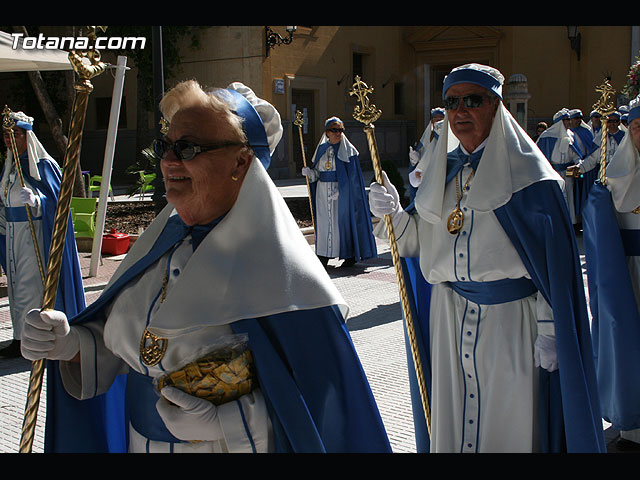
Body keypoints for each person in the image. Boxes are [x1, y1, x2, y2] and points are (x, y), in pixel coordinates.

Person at [20, 81, 391, 453]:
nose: (167, 162)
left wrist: (233, 423)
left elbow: (325, 415)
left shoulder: (286, 280)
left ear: (241, 162)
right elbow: (129, 350)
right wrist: (71, 343)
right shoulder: (157, 245)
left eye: (188, 148)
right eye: (166, 146)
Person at [368, 63, 604, 453]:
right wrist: (390, 215)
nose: (459, 111)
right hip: (448, 318)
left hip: (511, 323)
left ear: (496, 107)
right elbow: (415, 245)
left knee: (508, 426)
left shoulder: (534, 180)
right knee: (454, 421)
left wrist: (550, 330)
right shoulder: (440, 175)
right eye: (451, 102)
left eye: (472, 100)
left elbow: (553, 269)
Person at [0, 111, 85, 359]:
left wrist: (37, 200)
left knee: (31, 288)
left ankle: (39, 337)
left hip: (36, 235)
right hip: (14, 236)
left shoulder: (44, 165)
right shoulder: (10, 166)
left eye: (14, 134)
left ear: (27, 136)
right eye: (6, 135)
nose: (9, 139)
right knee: (17, 287)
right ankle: (19, 337)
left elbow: (58, 202)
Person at [581, 94, 640, 451]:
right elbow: (600, 230)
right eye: (636, 127)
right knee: (629, 343)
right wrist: (596, 207)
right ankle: (633, 424)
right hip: (628, 273)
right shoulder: (613, 177)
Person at [302, 117, 377, 268]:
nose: (338, 133)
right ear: (327, 132)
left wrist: (342, 190)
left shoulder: (348, 152)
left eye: (341, 130)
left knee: (340, 225)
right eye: (334, 130)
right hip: (323, 194)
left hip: (341, 197)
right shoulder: (321, 151)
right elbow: (318, 173)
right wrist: (310, 173)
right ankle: (323, 254)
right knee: (324, 223)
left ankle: (349, 255)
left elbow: (353, 179)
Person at [536, 108, 582, 225]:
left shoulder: (571, 135)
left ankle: (570, 223)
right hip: (553, 174)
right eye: (566, 120)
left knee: (569, 199)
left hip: (568, 174)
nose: (569, 122)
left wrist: (578, 164)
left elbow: (576, 154)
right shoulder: (547, 137)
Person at [408, 107, 445, 199]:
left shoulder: (448, 140)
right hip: (423, 183)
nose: (438, 122)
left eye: (441, 119)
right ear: (432, 121)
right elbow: (421, 158)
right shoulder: (427, 137)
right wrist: (414, 161)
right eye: (436, 119)